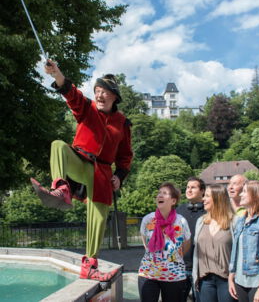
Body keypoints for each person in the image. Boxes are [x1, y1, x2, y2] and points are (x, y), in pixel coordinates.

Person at [31, 60, 133, 281]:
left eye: (104, 92)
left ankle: (90, 265)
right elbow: (71, 93)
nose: (99, 95)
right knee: (58, 145)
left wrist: (120, 175)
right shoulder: (88, 108)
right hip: (80, 159)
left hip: (103, 171)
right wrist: (57, 73)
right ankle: (61, 188)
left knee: (99, 213)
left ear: (114, 96)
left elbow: (125, 156)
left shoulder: (123, 123)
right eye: (97, 91)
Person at [138, 182, 191, 302]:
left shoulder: (181, 221)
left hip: (175, 275)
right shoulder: (148, 219)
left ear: (173, 201)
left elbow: (186, 243)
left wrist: (175, 256)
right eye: (159, 193)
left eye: (165, 193)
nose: (160, 196)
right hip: (148, 273)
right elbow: (144, 240)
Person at [229, 180, 259, 302]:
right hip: (239, 280)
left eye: (244, 191)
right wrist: (231, 275)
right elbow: (236, 250)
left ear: (255, 195)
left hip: (256, 282)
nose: (240, 195)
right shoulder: (241, 220)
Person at [192, 184, 235, 302]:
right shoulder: (201, 221)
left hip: (227, 280)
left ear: (217, 198)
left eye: (206, 196)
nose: (203, 199)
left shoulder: (233, 222)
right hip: (205, 281)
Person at [176, 177, 206, 302]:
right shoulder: (179, 210)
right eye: (188, 187)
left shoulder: (209, 210)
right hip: (180, 267)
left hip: (200, 269)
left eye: (193, 187)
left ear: (202, 191)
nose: (189, 190)